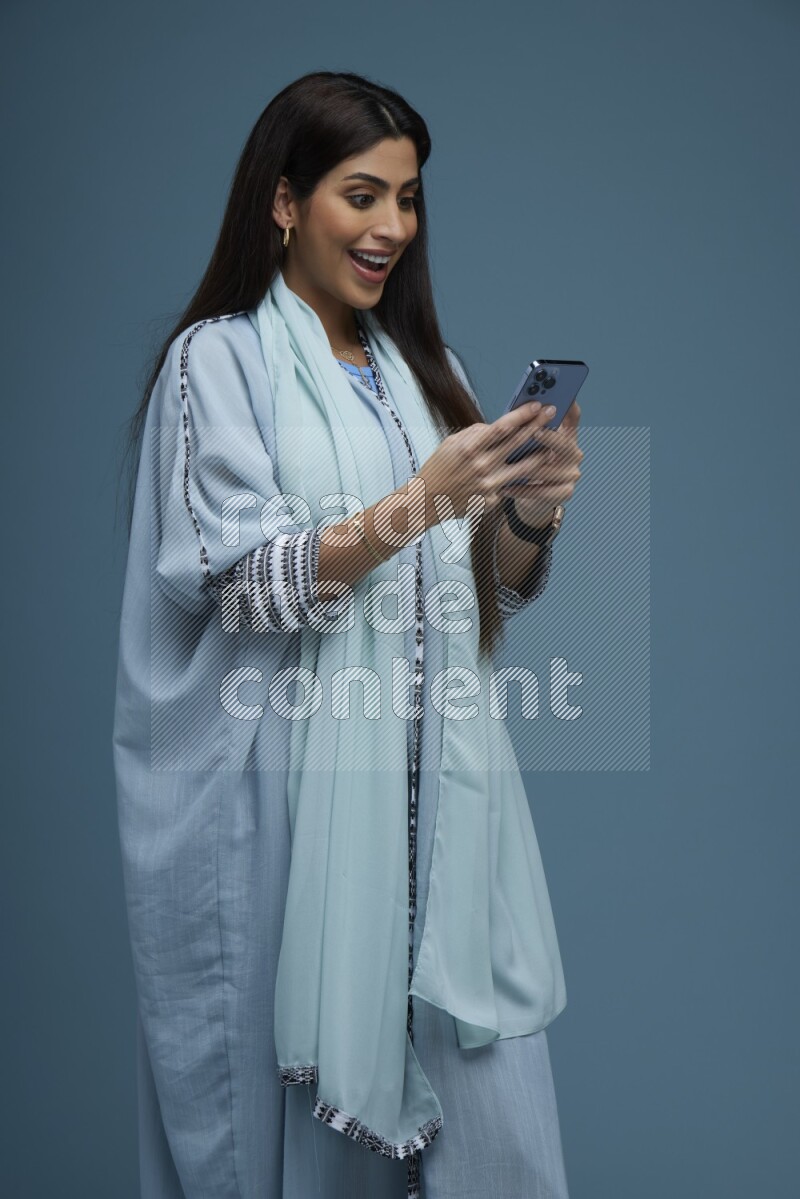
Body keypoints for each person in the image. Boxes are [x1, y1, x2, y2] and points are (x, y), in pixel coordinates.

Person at [113, 70, 583, 1199]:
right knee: (298, 1138)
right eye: (361, 194)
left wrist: (530, 509)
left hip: (440, 799)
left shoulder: (433, 374)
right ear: (284, 202)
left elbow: (480, 601)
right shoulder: (218, 363)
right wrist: (419, 499)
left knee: (490, 1111)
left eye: (408, 199)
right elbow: (240, 583)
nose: (391, 228)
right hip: (284, 795)